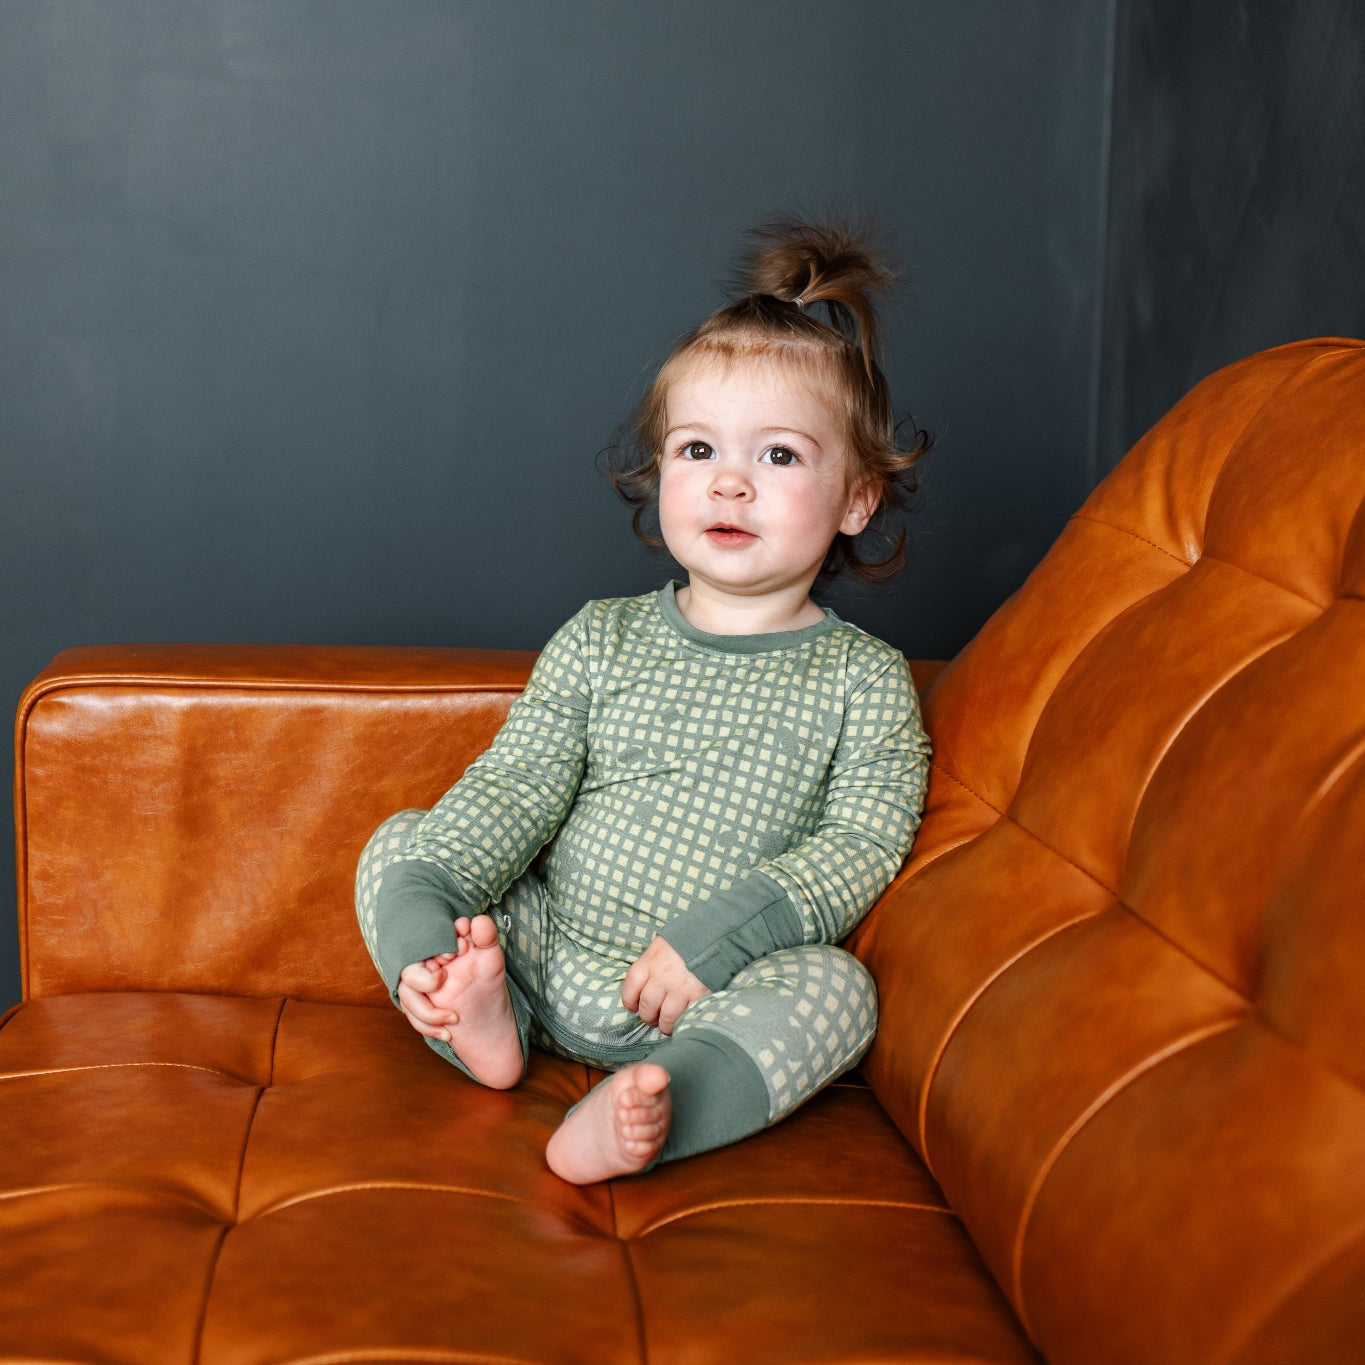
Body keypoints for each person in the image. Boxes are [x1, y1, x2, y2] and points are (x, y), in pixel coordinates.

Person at [355, 218, 932, 1184]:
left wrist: (719, 942)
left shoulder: (863, 679)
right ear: (661, 468)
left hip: (707, 990)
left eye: (779, 456)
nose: (730, 482)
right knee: (402, 844)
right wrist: (433, 919)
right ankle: (475, 1019)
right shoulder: (602, 637)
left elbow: (863, 842)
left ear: (856, 499)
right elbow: (519, 782)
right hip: (546, 949)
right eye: (697, 448)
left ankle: (656, 1104)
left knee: (838, 989)